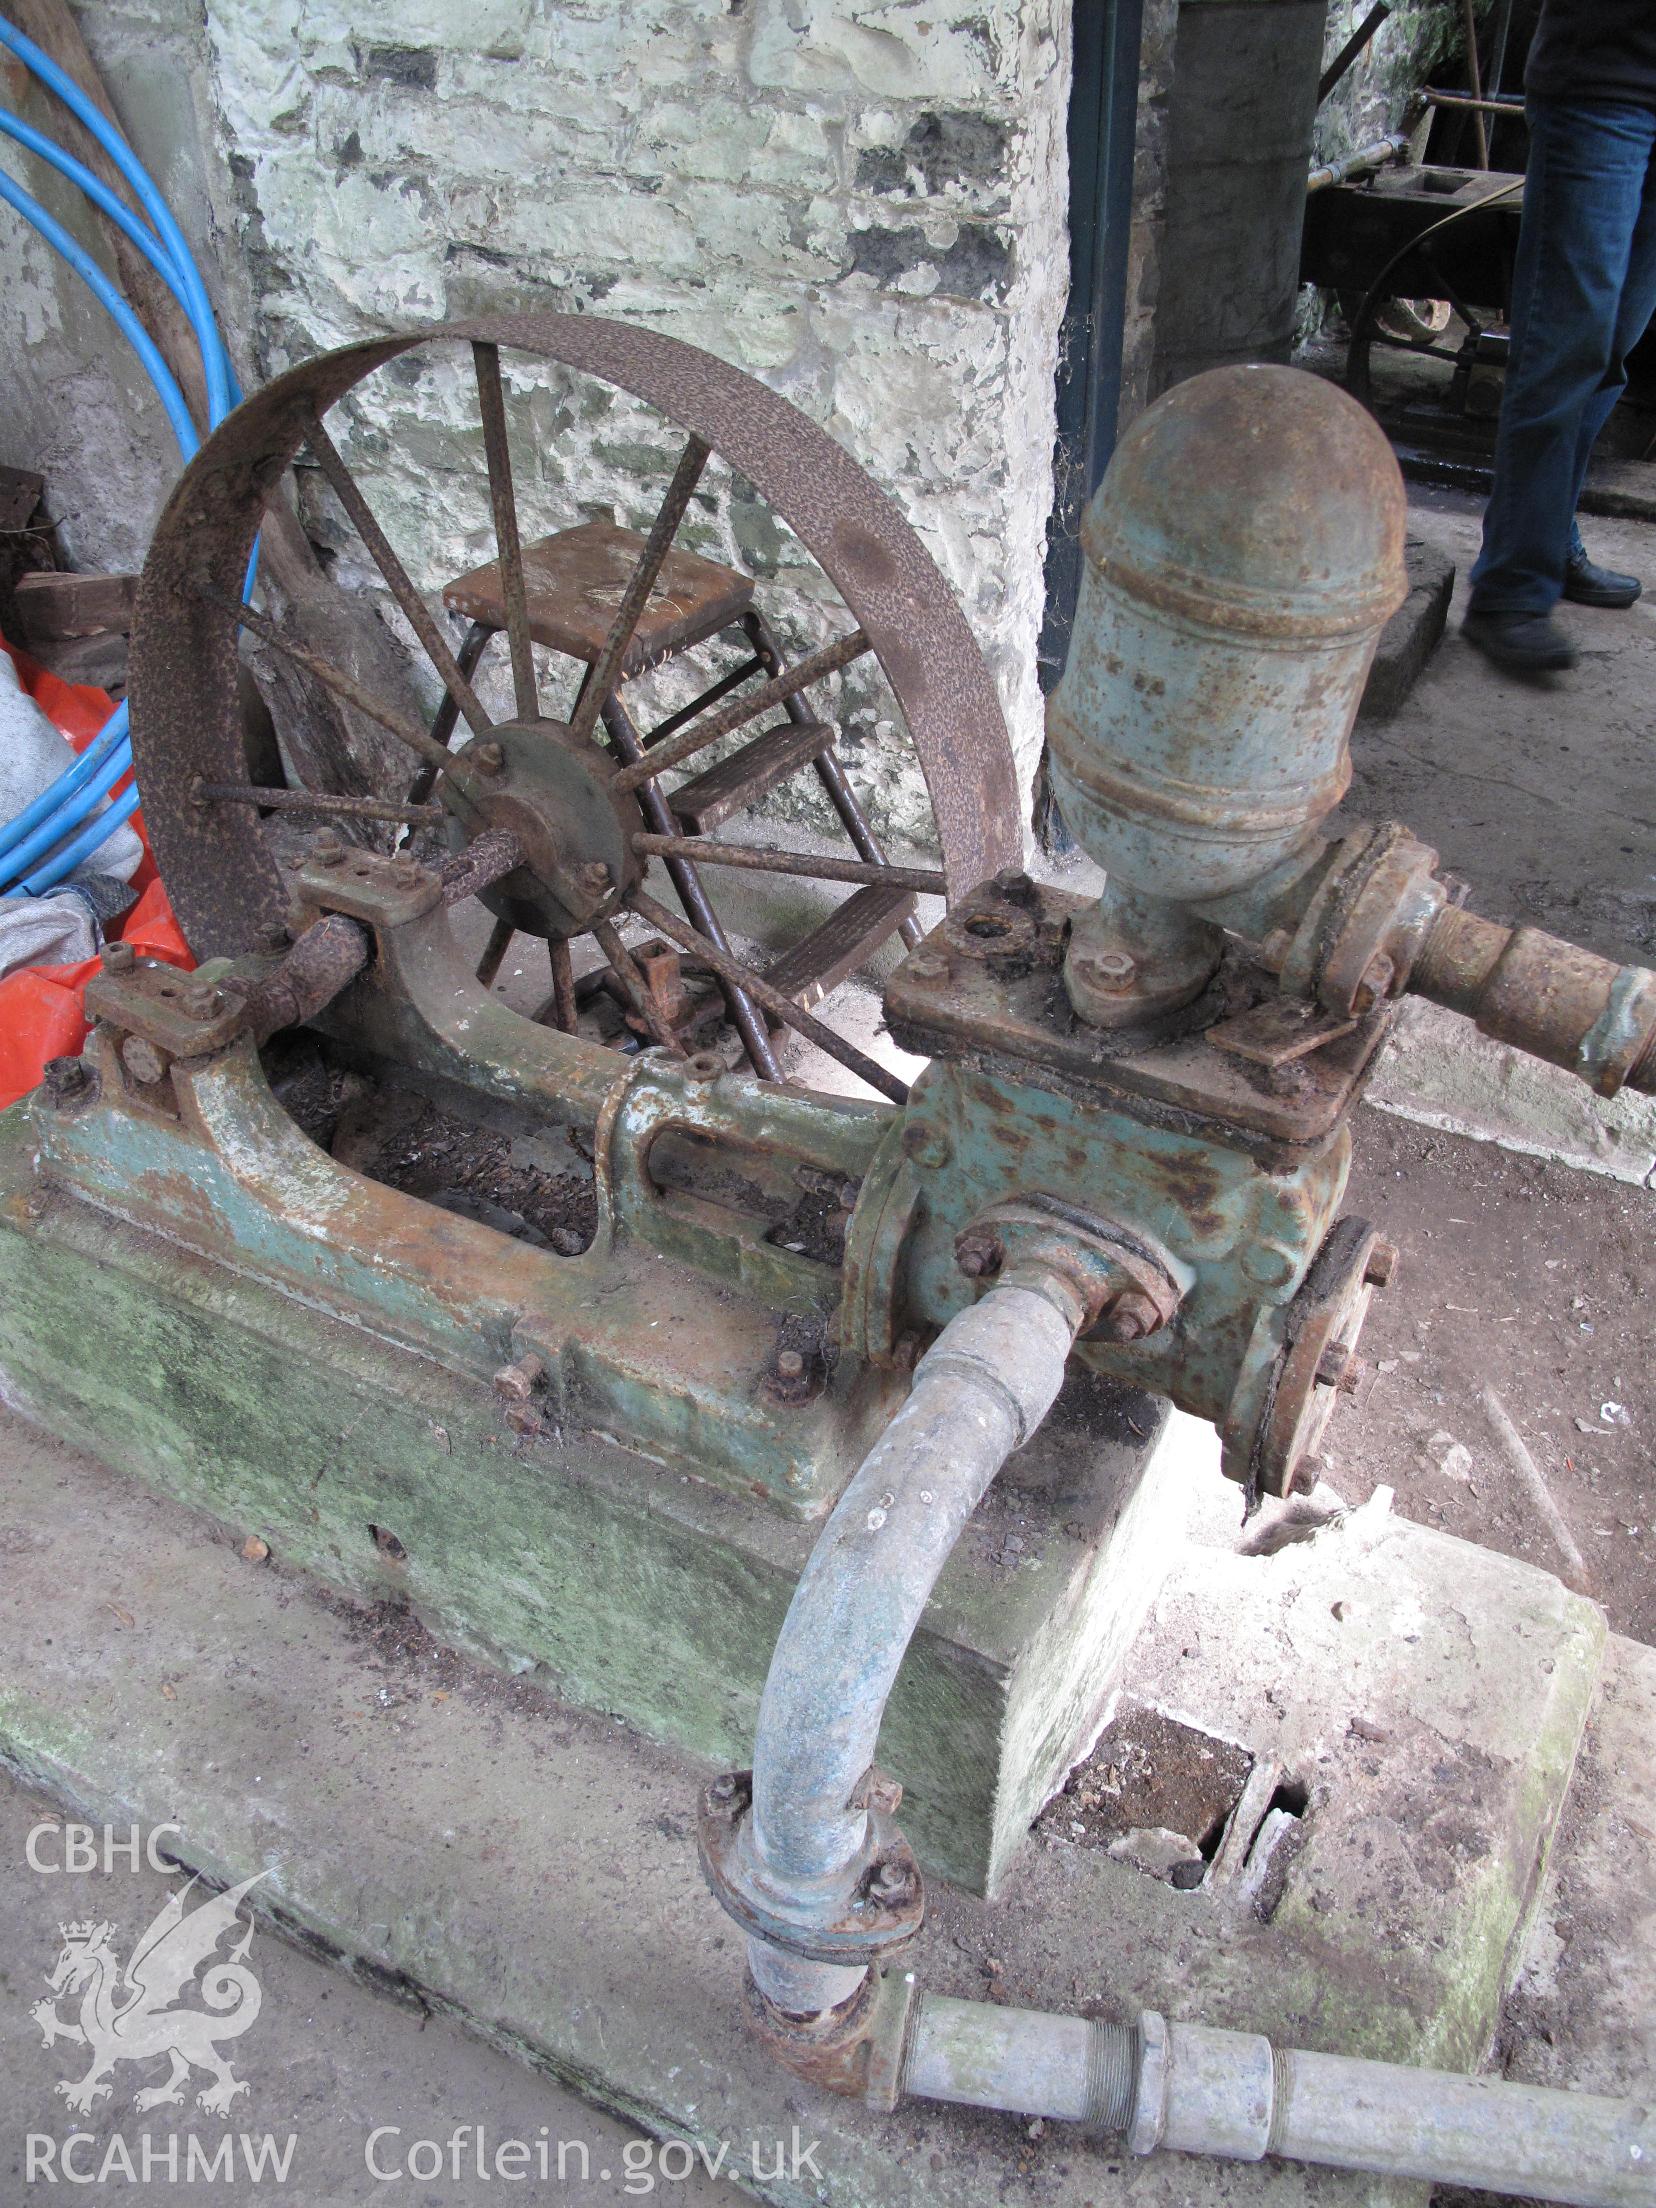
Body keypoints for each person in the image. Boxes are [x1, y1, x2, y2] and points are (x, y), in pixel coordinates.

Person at [1463, 0, 1656, 673]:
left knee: (1610, 352)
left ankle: (1549, 539)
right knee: (1564, 346)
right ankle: (1510, 590)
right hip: (1604, 88)